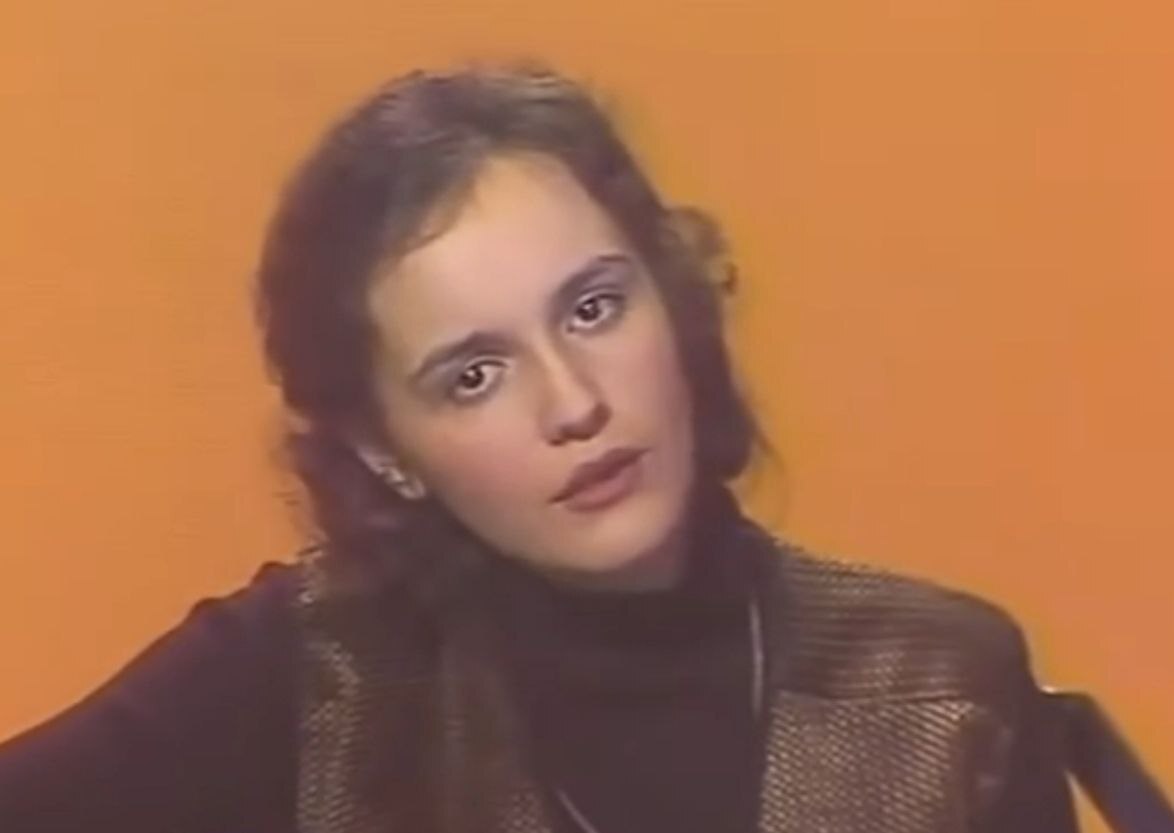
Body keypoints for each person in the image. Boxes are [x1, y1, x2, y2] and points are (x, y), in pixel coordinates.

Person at [0, 64, 1079, 833]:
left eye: (594, 308)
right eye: (473, 374)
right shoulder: (310, 677)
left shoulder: (945, 687)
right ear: (385, 450)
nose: (574, 402)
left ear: (672, 296)